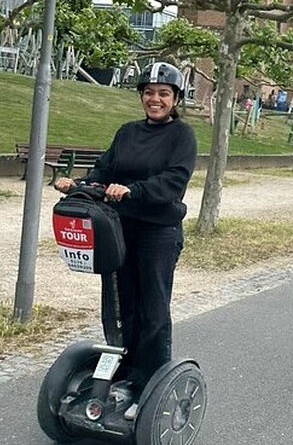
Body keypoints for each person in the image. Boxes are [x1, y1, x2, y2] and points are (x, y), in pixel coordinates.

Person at [54, 61, 197, 420]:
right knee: (120, 304)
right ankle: (123, 371)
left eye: (163, 93)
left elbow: (173, 182)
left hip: (157, 234)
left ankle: (149, 379)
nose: (155, 99)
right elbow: (106, 168)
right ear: (141, 97)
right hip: (119, 230)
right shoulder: (127, 132)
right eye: (149, 93)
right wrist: (79, 183)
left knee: (153, 308)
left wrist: (132, 190)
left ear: (175, 98)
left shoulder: (182, 136)